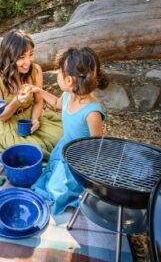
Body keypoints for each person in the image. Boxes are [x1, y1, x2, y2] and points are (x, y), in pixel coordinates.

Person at [26, 47, 109, 214]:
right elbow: (57, 104)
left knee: (57, 191)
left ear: (69, 80)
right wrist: (39, 91)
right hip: (65, 147)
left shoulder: (92, 112)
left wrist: (87, 173)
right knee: (48, 178)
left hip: (80, 158)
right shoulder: (69, 95)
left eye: (58, 72)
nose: (56, 74)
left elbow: (96, 145)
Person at [0, 29, 62, 159]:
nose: (28, 62)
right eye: (21, 57)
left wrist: (35, 119)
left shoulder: (36, 70)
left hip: (31, 115)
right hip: (8, 124)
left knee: (62, 138)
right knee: (36, 151)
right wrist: (16, 101)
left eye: (31, 54)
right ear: (9, 57)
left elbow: (38, 101)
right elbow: (2, 117)